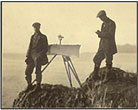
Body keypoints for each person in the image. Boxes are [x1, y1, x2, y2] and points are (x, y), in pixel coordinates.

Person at [92, 10, 117, 80]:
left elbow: (110, 35)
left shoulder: (111, 23)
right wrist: (99, 34)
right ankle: (95, 75)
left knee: (108, 60)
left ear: (104, 16)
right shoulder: (103, 24)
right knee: (96, 59)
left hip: (109, 46)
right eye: (100, 18)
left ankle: (108, 76)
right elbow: (103, 35)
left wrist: (100, 34)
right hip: (102, 45)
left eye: (101, 17)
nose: (100, 19)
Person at [25, 22, 48, 92]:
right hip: (31, 56)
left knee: (38, 71)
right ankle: (29, 85)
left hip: (39, 56)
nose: (35, 29)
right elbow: (30, 47)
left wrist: (39, 56)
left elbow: (45, 48)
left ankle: (38, 86)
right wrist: (27, 56)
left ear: (39, 27)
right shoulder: (32, 36)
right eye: (34, 27)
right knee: (27, 71)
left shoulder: (43, 37)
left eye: (37, 27)